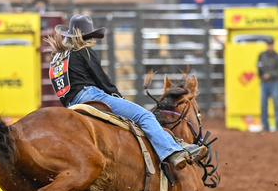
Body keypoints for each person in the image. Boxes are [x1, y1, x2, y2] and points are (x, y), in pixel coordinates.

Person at [45, 14, 207, 170]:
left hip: (70, 104)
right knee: (144, 116)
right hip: (90, 95)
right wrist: (118, 97)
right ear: (84, 36)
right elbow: (102, 80)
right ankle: (170, 152)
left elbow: (61, 90)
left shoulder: (56, 60)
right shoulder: (84, 52)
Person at [257, 39, 278, 132]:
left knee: (276, 104)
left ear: (273, 45)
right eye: (268, 45)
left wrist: (270, 74)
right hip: (265, 83)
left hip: (274, 82)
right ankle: (265, 125)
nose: (270, 46)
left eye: (271, 44)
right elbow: (258, 67)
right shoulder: (262, 55)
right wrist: (262, 75)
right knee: (263, 105)